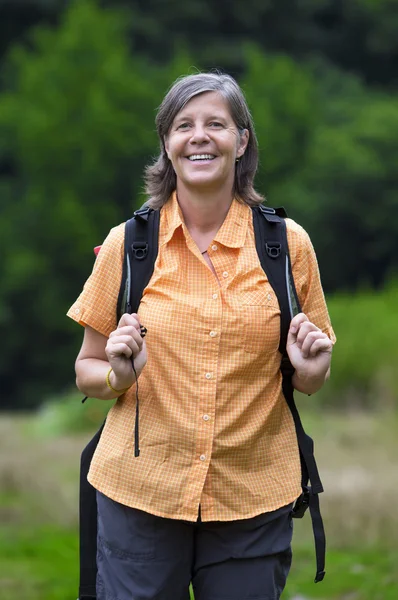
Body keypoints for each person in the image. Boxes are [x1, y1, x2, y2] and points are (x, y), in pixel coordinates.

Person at [68, 71, 335, 600]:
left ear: (242, 142)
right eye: (183, 125)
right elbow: (87, 368)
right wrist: (118, 375)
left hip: (252, 497)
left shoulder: (287, 246)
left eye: (217, 124)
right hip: (141, 493)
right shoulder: (128, 244)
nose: (199, 136)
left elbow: (312, 373)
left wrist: (312, 369)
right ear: (166, 145)